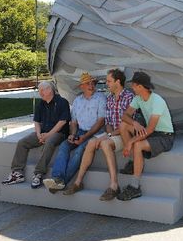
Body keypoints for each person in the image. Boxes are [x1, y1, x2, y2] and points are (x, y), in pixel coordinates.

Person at [63, 68, 134, 200]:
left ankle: (114, 186)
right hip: (112, 134)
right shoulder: (110, 99)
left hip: (124, 135)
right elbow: (107, 121)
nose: (106, 83)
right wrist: (109, 132)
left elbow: (130, 124)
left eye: (109, 81)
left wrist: (111, 135)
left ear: (118, 82)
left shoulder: (129, 97)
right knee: (90, 143)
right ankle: (78, 182)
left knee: (105, 144)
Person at [43, 72, 106, 192]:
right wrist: (72, 134)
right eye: (88, 83)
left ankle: (61, 182)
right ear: (82, 86)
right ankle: (57, 177)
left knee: (79, 151)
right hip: (80, 132)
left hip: (95, 133)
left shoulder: (101, 98)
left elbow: (101, 122)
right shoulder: (77, 101)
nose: (91, 85)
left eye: (93, 83)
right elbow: (74, 122)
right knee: (64, 145)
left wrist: (85, 137)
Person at [117, 71, 175, 201]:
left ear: (140, 86)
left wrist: (130, 142)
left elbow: (150, 129)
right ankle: (134, 162)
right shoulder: (137, 99)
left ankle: (135, 186)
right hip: (152, 133)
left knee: (137, 144)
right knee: (123, 126)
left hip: (164, 137)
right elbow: (124, 116)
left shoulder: (157, 101)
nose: (132, 87)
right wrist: (135, 123)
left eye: (134, 85)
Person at [2, 81, 71, 188]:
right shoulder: (41, 104)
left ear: (49, 90)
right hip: (43, 133)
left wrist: (48, 135)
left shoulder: (62, 102)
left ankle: (38, 173)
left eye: (42, 90)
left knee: (49, 142)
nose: (40, 93)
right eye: (39, 90)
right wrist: (39, 134)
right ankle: (17, 173)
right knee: (22, 142)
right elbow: (37, 121)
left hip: (59, 133)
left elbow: (62, 122)